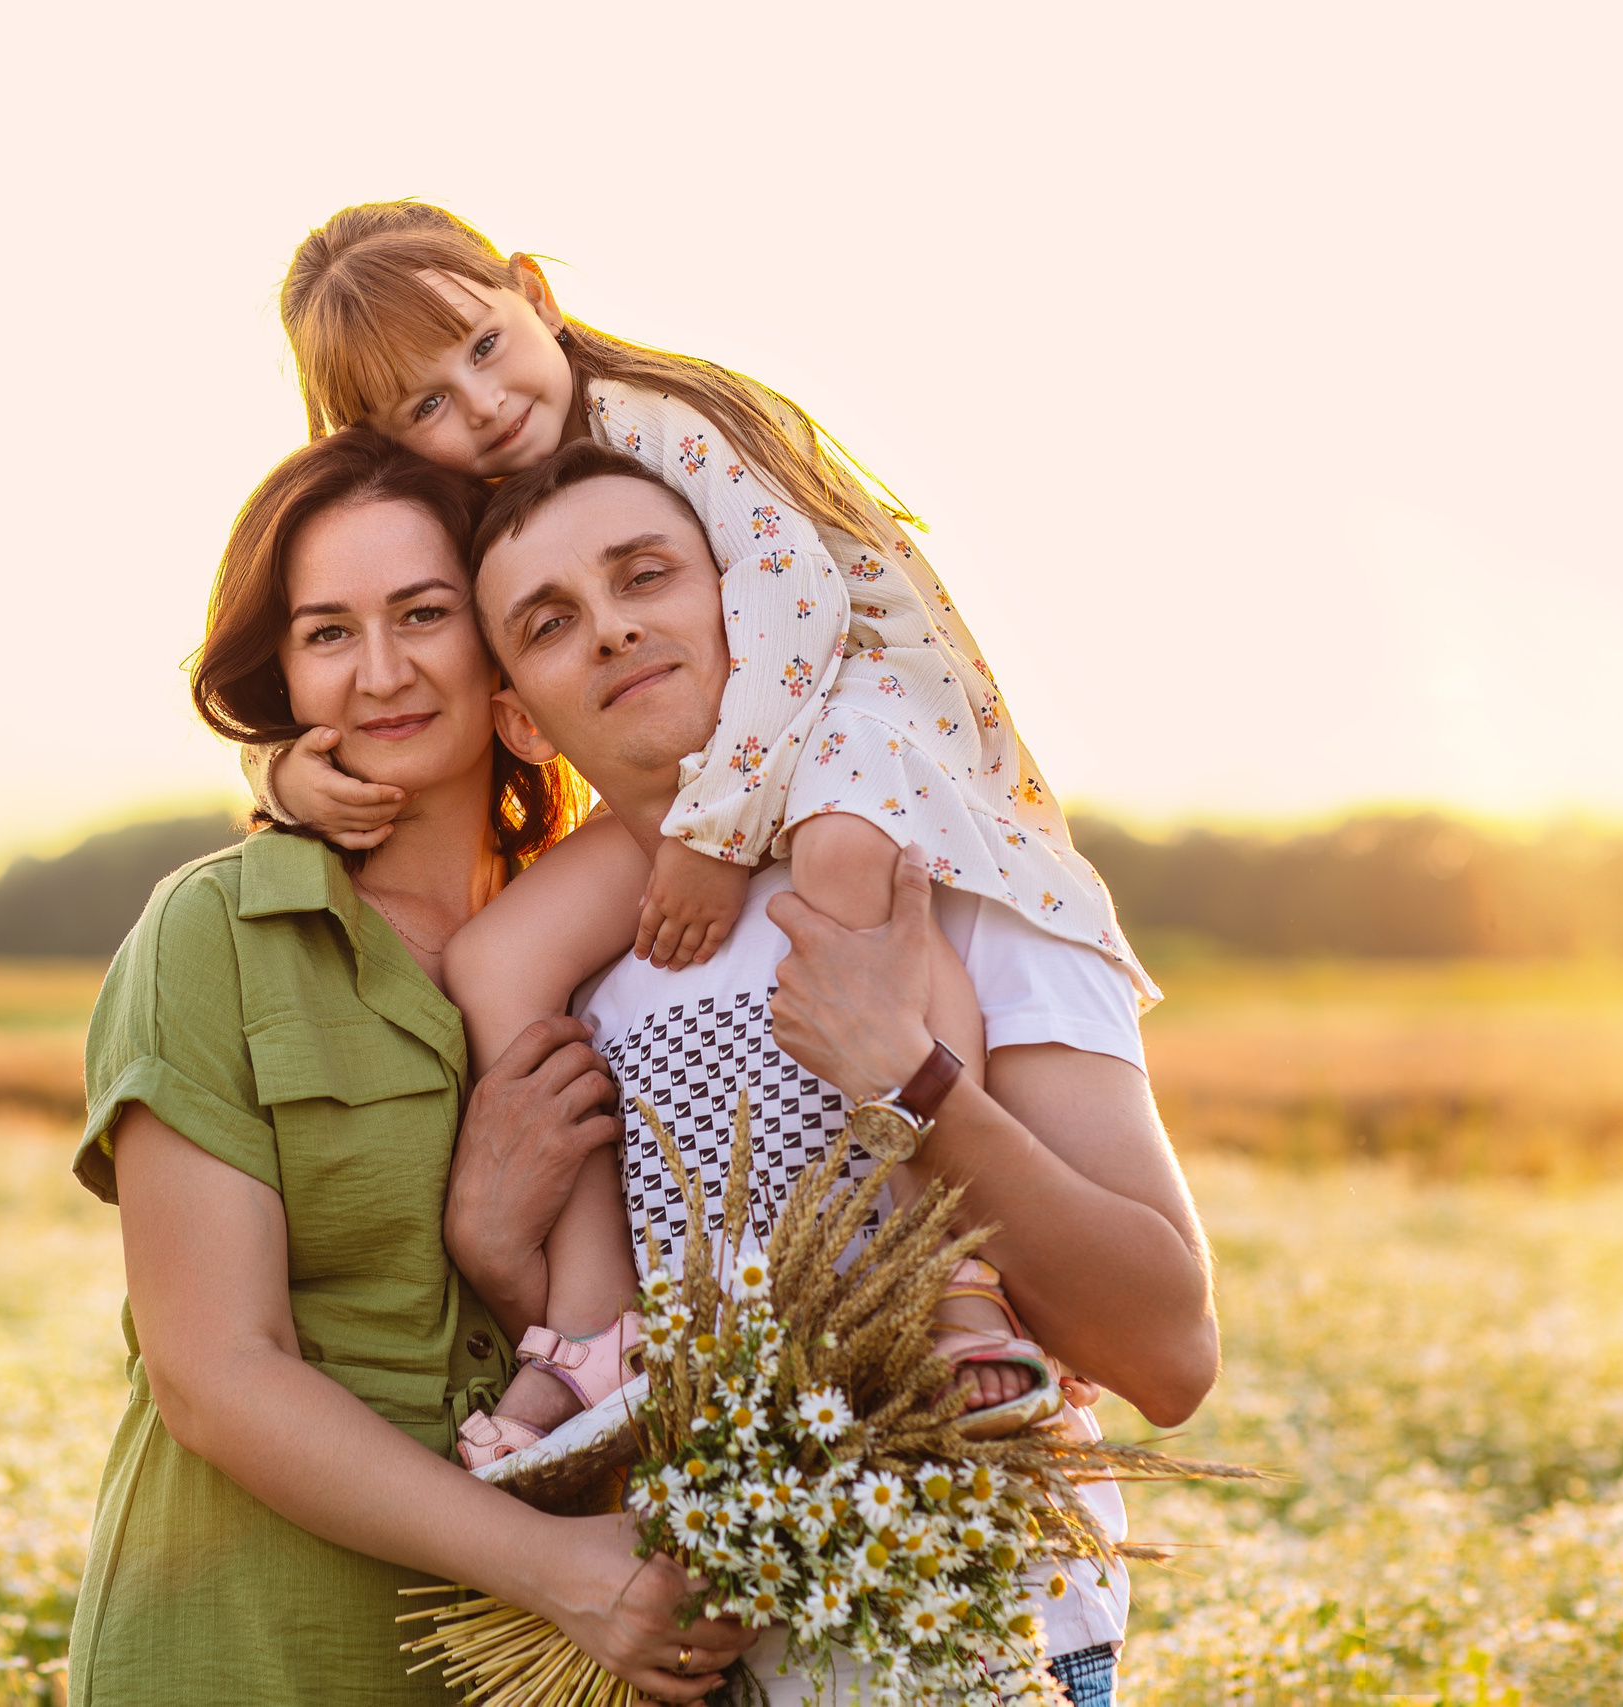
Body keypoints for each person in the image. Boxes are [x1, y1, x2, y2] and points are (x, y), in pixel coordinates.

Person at [253, 200, 1163, 1449]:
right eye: (421, 406)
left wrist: (715, 834)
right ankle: (592, 1326)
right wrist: (284, 775)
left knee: (850, 883)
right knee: (495, 959)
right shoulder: (506, 501)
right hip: (733, 767)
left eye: (478, 346)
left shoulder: (653, 426)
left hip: (856, 705)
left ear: (534, 292)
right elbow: (395, 657)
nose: (474, 406)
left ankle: (953, 1285)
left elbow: (794, 612)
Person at [445, 445, 1221, 1704]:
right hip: (707, 1633)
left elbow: (1171, 1358)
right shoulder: (563, 963)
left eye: (646, 575)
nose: (612, 628)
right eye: (550, 624)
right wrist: (497, 1255)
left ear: (745, 607)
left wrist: (910, 1079)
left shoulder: (960, 881)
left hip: (962, 1606)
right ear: (524, 717)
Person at [65, 429, 756, 1704]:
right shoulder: (217, 931)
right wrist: (556, 1572)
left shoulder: (622, 934)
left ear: (498, 637)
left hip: (550, 1668)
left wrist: (497, 1259)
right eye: (327, 632)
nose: (380, 672)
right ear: (280, 671)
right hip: (254, 1650)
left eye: (424, 614)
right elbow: (215, 1373)